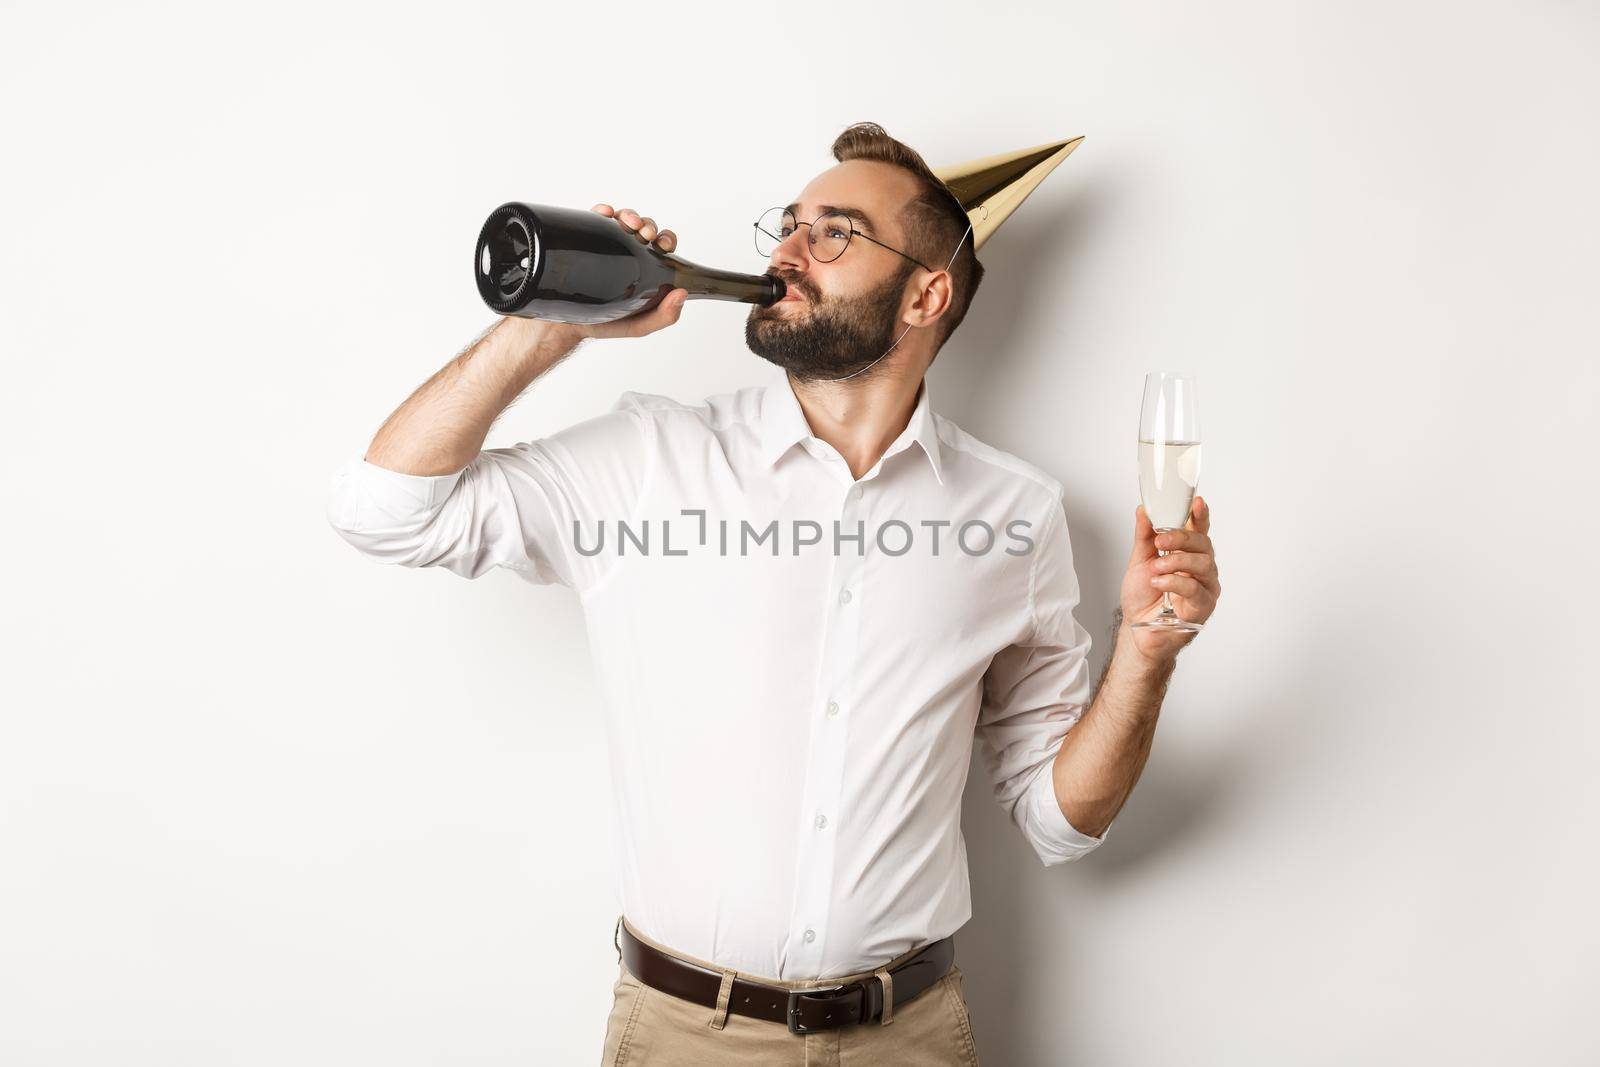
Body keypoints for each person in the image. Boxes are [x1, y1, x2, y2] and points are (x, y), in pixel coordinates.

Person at [326, 121, 1222, 1064]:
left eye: (834, 233)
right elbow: (384, 510)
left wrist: (1145, 654)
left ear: (927, 293)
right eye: (789, 225)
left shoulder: (1016, 515)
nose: (789, 253)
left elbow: (1060, 821)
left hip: (906, 1040)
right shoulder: (649, 461)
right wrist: (547, 328)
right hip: (684, 1037)